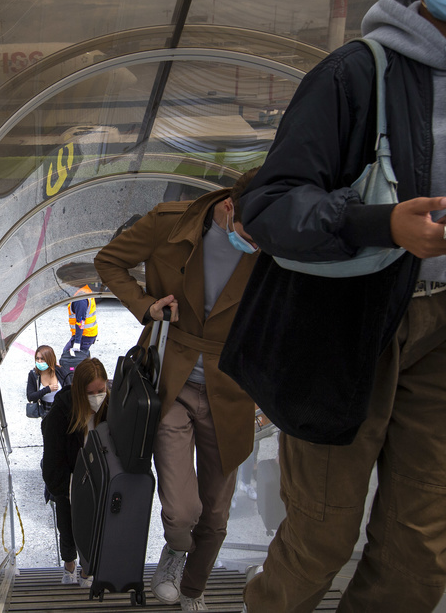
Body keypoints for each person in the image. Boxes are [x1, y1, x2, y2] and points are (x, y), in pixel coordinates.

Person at [221, 0, 446, 611]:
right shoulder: (355, 72)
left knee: (419, 551)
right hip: (348, 327)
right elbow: (271, 204)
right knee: (322, 534)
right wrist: (385, 223)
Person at [93, 168, 261, 612]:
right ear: (229, 208)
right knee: (182, 510)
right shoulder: (170, 222)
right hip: (171, 380)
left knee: (217, 513)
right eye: (252, 234)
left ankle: (193, 587)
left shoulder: (280, 240)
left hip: (234, 390)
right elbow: (109, 261)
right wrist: (147, 306)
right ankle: (175, 550)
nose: (260, 246)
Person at [41, 358, 109, 587]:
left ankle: (87, 571)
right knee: (68, 529)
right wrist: (70, 489)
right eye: (92, 392)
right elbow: (52, 463)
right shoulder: (62, 413)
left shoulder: (110, 408)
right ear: (80, 392)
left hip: (97, 483)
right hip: (68, 483)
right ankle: (69, 564)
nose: (98, 397)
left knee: (94, 529)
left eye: (102, 391)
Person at [26, 345, 67, 419]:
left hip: (62, 408)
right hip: (46, 411)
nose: (39, 361)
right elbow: (30, 397)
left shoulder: (59, 371)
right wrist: (47, 389)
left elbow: (70, 387)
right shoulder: (33, 375)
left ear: (50, 359)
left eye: (42, 359)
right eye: (37, 358)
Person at [64, 284, 98, 355]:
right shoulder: (85, 290)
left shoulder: (80, 298)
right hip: (88, 333)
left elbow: (81, 321)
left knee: (68, 356)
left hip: (84, 336)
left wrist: (77, 342)